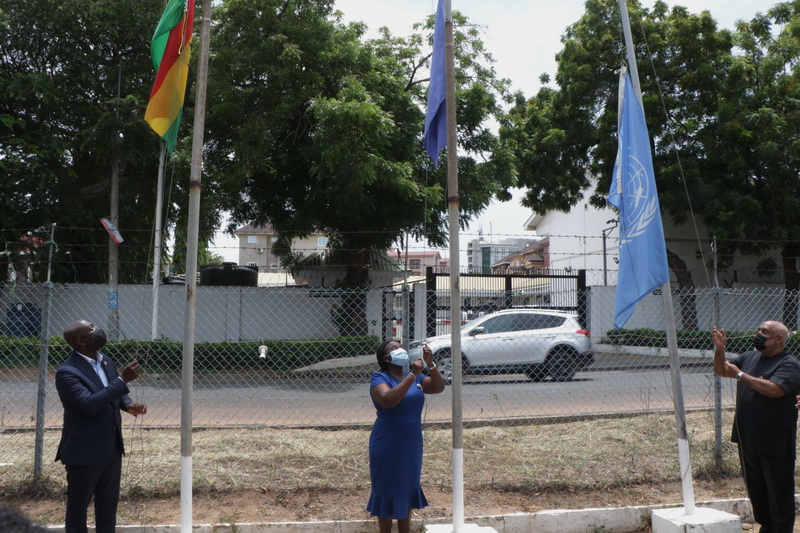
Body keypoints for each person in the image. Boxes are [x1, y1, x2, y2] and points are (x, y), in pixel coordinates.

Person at [55, 319, 147, 533]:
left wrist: (128, 405)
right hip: (84, 452)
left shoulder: (105, 361)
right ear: (80, 341)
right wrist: (123, 380)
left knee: (108, 507)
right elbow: (88, 404)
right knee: (78, 511)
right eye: (91, 329)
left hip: (111, 448)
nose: (98, 330)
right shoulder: (67, 372)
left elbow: (115, 394)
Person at [712, 321, 800, 533]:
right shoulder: (750, 357)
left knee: (778, 492)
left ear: (779, 339)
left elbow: (775, 390)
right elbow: (722, 370)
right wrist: (720, 349)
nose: (758, 334)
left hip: (775, 441)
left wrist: (741, 376)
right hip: (747, 438)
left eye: (764, 332)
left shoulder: (789, 364)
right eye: (758, 330)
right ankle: (766, 527)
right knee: (757, 491)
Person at [366, 340, 445, 533]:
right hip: (387, 443)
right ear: (386, 358)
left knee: (407, 488)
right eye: (394, 348)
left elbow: (438, 387)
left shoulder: (416, 379)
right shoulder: (380, 378)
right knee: (386, 490)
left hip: (411, 443)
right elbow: (388, 400)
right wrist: (412, 374)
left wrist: (430, 364)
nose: (400, 350)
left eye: (401, 346)